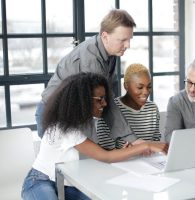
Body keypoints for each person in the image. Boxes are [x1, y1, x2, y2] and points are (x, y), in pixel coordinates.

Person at [22, 72, 168, 200]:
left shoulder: (89, 122)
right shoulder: (64, 128)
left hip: (69, 184)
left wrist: (125, 151)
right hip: (40, 181)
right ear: (82, 100)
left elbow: (98, 154)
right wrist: (147, 145)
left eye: (104, 98)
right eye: (99, 99)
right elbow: (106, 156)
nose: (104, 104)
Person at [35, 9, 136, 139]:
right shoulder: (90, 59)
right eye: (122, 40)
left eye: (129, 39)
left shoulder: (110, 52)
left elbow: (110, 92)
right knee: (75, 159)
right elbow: (106, 101)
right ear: (105, 36)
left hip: (74, 114)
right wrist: (130, 138)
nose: (128, 45)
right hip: (54, 116)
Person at [97, 63, 161, 149]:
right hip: (122, 161)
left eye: (149, 87)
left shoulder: (152, 108)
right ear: (126, 86)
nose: (146, 92)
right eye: (140, 87)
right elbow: (104, 152)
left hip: (148, 161)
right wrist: (126, 152)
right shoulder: (110, 110)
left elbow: (156, 141)